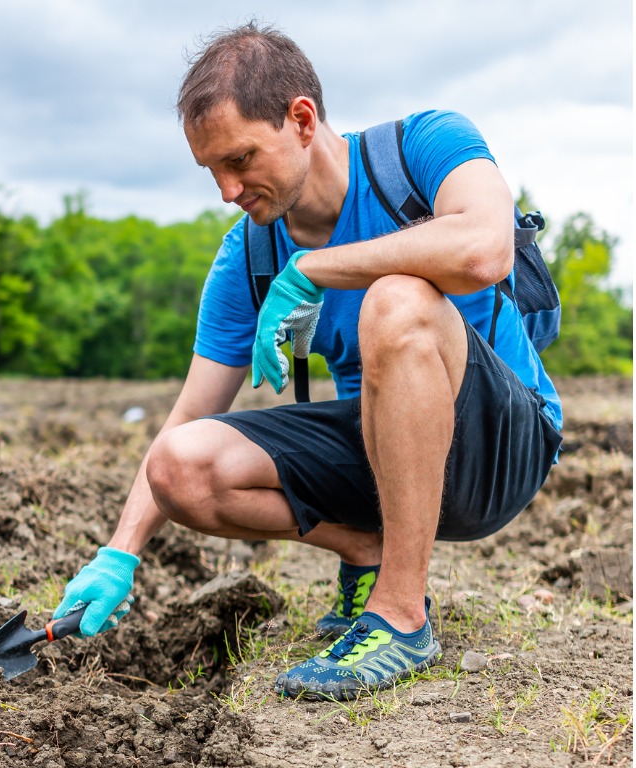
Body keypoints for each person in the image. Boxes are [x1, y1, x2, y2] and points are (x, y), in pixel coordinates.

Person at [53, 21, 563, 700]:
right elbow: (189, 414)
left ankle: (401, 616)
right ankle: (364, 551)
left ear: (301, 120)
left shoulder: (423, 147)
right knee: (179, 461)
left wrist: (321, 270)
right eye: (212, 171)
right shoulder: (249, 256)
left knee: (398, 301)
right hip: (383, 455)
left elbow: (482, 249)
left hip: (499, 448)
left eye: (239, 160)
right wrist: (119, 551)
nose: (227, 192)